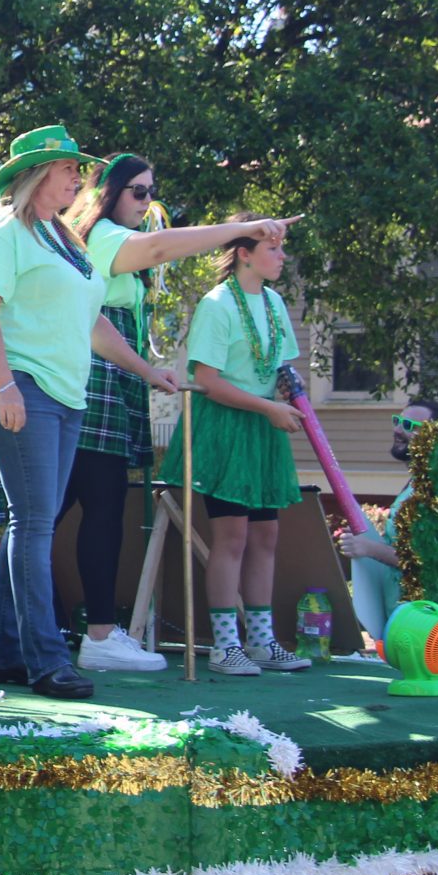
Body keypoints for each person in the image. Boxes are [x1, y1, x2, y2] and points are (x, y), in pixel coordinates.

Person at [0, 126, 180, 701]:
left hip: (66, 394)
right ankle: (47, 659)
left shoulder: (66, 239)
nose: (77, 179)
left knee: (26, 524)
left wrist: (147, 371)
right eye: (66, 169)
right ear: (35, 175)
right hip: (22, 388)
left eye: (78, 171)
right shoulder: (6, 229)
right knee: (35, 524)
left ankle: (4, 653)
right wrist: (6, 387)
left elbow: (93, 324)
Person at [63, 153, 302, 672]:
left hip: (120, 377)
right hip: (93, 380)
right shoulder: (102, 235)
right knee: (58, 514)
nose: (148, 203)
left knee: (95, 509)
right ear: (108, 192)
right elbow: (158, 248)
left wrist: (148, 372)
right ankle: (94, 634)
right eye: (139, 192)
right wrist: (237, 229)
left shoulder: (274, 303)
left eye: (152, 192)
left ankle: (93, 631)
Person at [158, 214, 311, 675]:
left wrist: (288, 388)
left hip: (263, 429)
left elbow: (278, 365)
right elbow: (206, 381)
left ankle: (262, 642)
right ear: (244, 252)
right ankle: (226, 647)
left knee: (267, 534)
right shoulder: (217, 304)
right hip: (227, 428)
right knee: (233, 536)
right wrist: (268, 408)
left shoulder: (274, 303)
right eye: (273, 249)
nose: (282, 258)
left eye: (282, 249)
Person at [336, 399, 438, 643]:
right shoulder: (417, 482)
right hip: (403, 622)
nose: (398, 429)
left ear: (435, 437)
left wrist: (369, 548)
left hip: (428, 631)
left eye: (410, 425)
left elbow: (428, 559)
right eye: (397, 421)